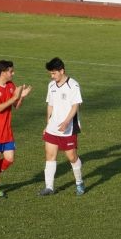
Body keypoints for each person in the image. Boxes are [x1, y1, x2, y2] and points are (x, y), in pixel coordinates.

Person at [0, 60, 32, 198]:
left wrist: (21, 97)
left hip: (6, 129)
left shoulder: (10, 85)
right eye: (11, 71)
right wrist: (15, 96)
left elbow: (16, 106)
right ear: (3, 72)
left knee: (9, 159)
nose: (13, 73)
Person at [40, 57, 85, 196]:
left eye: (54, 73)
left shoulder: (73, 85)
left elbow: (75, 105)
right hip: (53, 127)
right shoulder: (51, 85)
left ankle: (79, 182)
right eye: (50, 74)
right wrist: (48, 124)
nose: (52, 76)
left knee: (71, 156)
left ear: (62, 71)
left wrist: (66, 122)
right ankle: (49, 187)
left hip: (68, 128)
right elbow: (50, 105)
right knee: (50, 155)